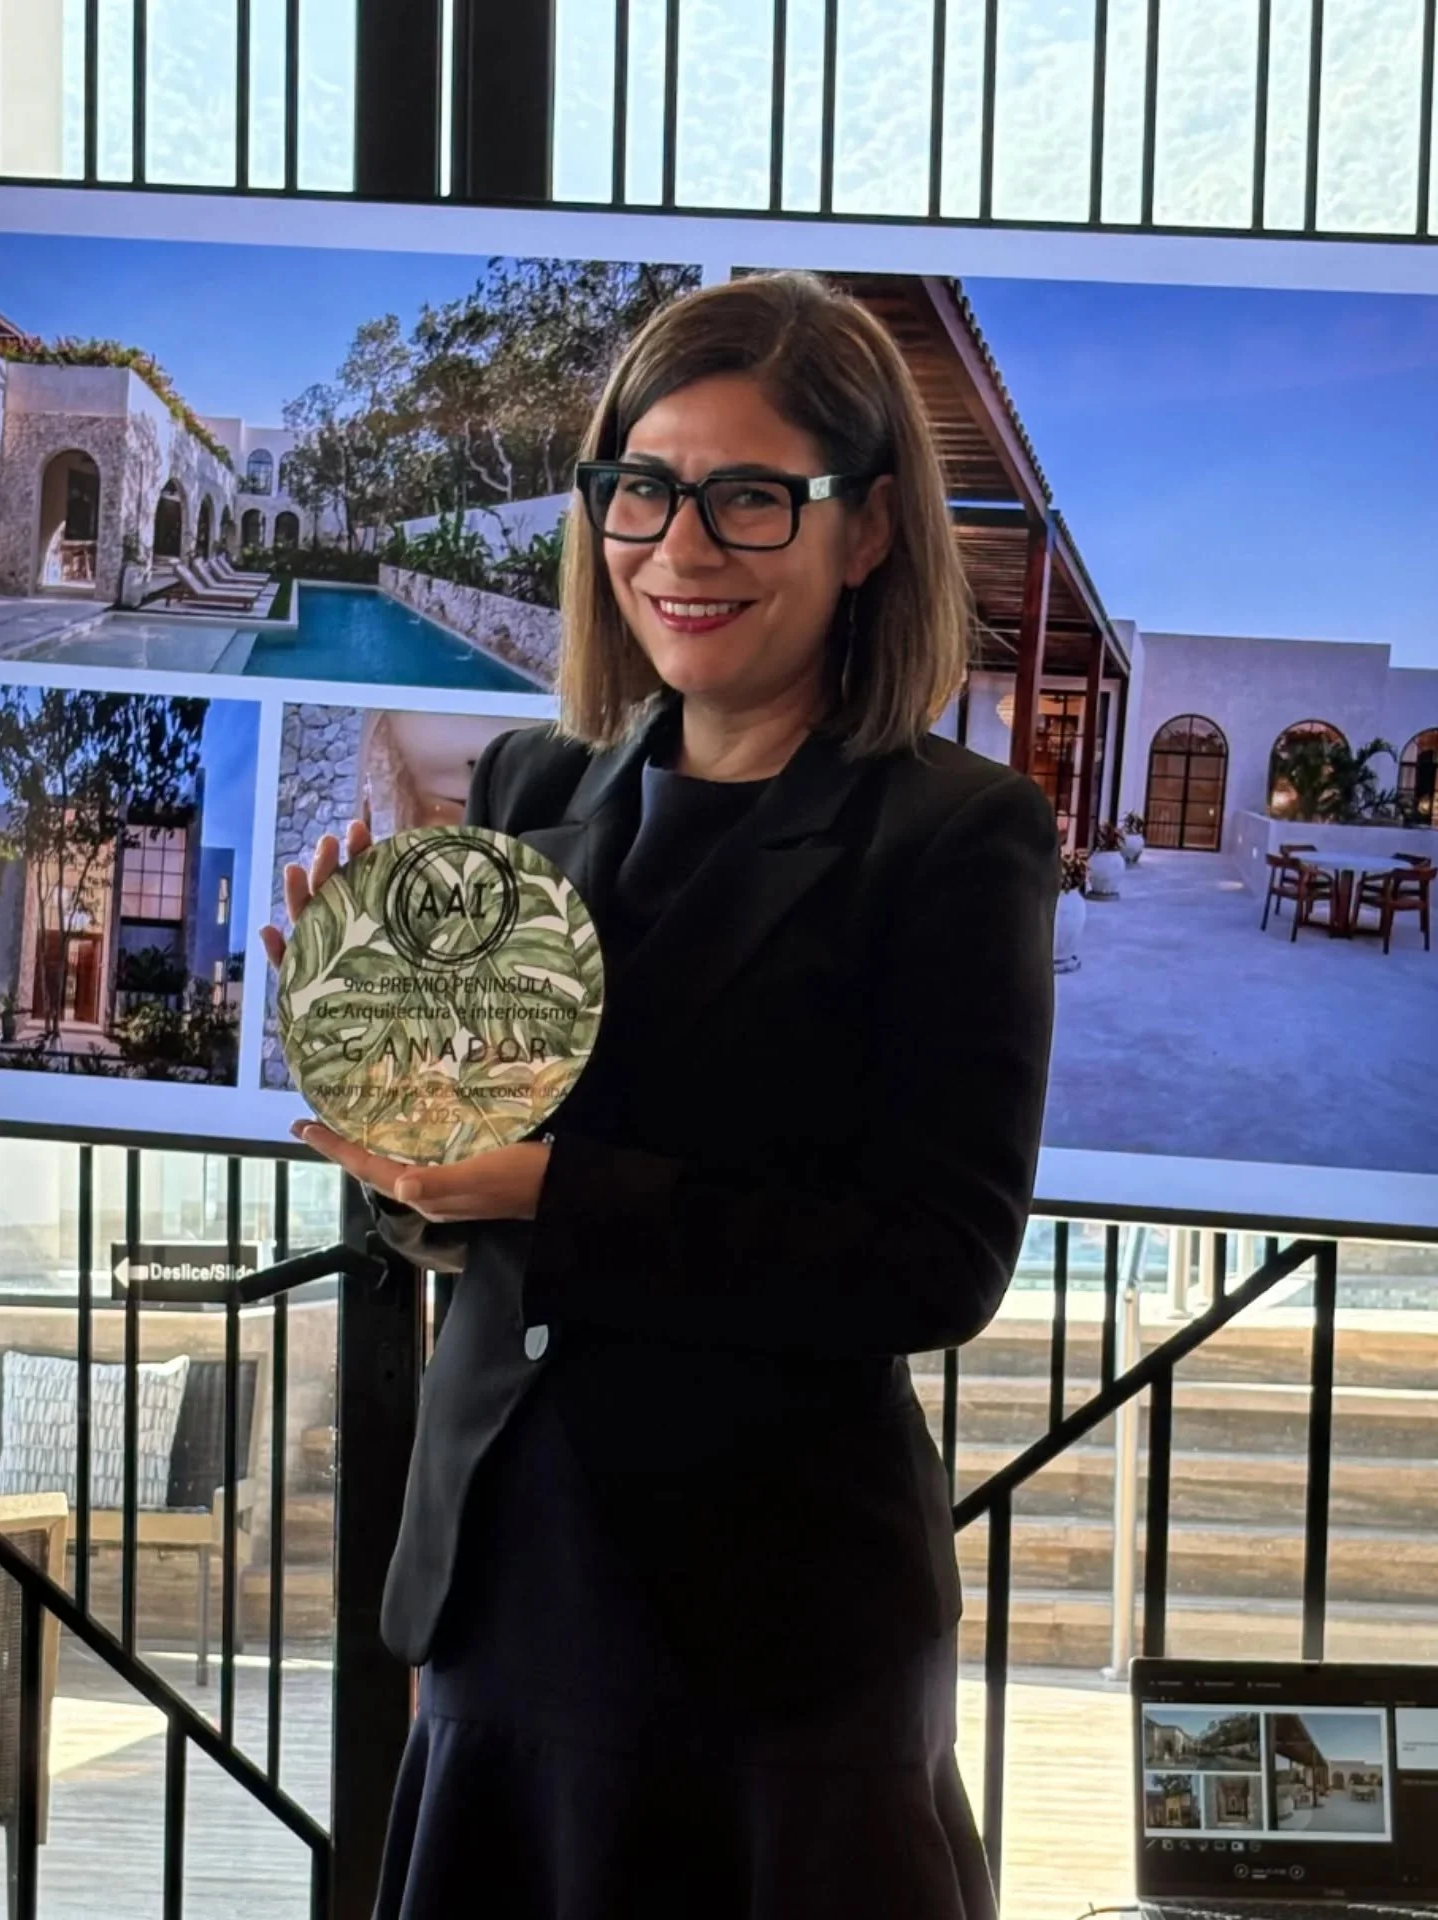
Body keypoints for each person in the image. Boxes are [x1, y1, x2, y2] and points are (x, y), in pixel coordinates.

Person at [261, 268, 1059, 1920]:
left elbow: (935, 1262)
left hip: (778, 1636)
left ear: (870, 530)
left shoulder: (953, 837)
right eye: (641, 488)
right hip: (504, 1592)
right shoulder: (534, 788)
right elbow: (440, 1208)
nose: (679, 550)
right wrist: (378, 1073)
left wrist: (556, 1193)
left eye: (749, 498)